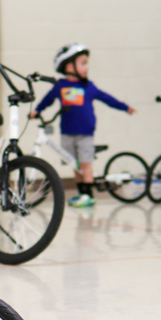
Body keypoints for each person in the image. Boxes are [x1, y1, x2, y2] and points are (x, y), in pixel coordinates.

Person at [31, 43, 135, 208]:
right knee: (75, 164)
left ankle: (89, 195)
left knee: (85, 164)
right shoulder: (60, 86)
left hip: (85, 132)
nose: (87, 67)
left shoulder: (88, 86)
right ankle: (81, 193)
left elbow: (107, 98)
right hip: (67, 132)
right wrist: (36, 110)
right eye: (83, 63)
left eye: (86, 63)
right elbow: (47, 99)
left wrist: (124, 107)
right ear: (68, 65)